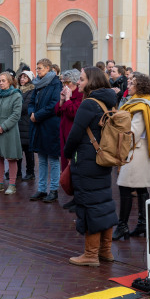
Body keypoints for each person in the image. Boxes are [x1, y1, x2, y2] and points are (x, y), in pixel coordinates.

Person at [64, 66, 119, 266]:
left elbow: (75, 133)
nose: (78, 82)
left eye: (82, 79)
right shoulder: (109, 102)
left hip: (87, 160)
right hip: (103, 159)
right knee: (103, 203)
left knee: (89, 206)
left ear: (92, 82)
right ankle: (105, 251)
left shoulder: (88, 104)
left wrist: (68, 154)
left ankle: (90, 254)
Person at [112, 73, 150, 241]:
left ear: (140, 87)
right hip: (142, 153)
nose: (129, 86)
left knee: (125, 187)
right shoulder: (143, 102)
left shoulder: (141, 105)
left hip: (136, 152)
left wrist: (114, 130)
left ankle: (123, 225)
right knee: (141, 189)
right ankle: (142, 224)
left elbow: (133, 132)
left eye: (132, 83)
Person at [29, 58, 63, 203]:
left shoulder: (56, 83)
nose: (38, 71)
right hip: (38, 125)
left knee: (53, 159)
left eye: (40, 68)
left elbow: (54, 104)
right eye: (37, 68)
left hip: (50, 125)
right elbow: (31, 102)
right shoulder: (38, 84)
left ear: (48, 68)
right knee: (41, 159)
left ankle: (54, 190)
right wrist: (31, 113)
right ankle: (42, 189)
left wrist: (37, 115)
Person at [0, 72, 23, 195]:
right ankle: (0, 183)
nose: (1, 83)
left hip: (9, 131)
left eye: (3, 80)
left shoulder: (16, 96)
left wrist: (2, 127)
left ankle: (12, 184)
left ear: (9, 81)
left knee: (11, 157)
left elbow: (16, 115)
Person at [55, 69, 83, 210]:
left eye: (67, 82)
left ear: (75, 82)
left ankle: (79, 199)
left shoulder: (80, 95)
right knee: (67, 166)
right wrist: (61, 100)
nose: (64, 85)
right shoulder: (68, 94)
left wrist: (67, 100)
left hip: (73, 135)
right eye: (63, 82)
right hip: (65, 134)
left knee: (75, 168)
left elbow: (74, 113)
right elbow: (58, 112)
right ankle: (74, 197)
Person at [17, 70, 36, 181]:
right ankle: (17, 171)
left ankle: (30, 172)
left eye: (25, 77)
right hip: (17, 124)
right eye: (21, 77)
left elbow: (25, 106)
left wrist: (14, 108)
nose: (22, 79)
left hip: (26, 123)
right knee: (17, 149)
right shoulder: (17, 90)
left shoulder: (32, 91)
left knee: (28, 150)